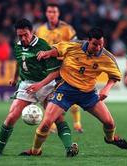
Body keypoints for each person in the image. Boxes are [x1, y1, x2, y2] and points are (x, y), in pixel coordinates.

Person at [20, 27, 127, 156]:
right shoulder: (74, 46)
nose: (98, 48)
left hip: (88, 94)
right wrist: (48, 53)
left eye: (101, 44)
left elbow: (115, 76)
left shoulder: (107, 57)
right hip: (65, 90)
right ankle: (35, 151)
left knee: (109, 123)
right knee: (46, 124)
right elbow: (58, 49)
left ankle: (110, 139)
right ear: (88, 41)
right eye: (95, 44)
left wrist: (106, 88)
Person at [0, 18, 78, 157]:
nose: (23, 38)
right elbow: (19, 62)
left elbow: (56, 72)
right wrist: (15, 77)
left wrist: (40, 85)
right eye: (20, 35)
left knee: (57, 118)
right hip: (27, 84)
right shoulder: (17, 46)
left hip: (46, 84)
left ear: (32, 32)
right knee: (12, 116)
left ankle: (69, 149)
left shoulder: (43, 46)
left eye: (26, 34)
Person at [35, 3, 83, 133]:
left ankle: (77, 122)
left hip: (65, 67)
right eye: (49, 12)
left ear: (58, 13)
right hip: (48, 68)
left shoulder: (67, 29)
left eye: (54, 12)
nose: (52, 14)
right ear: (46, 13)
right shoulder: (40, 30)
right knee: (46, 96)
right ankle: (52, 124)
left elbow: (75, 46)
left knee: (71, 93)